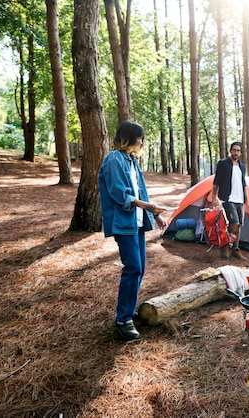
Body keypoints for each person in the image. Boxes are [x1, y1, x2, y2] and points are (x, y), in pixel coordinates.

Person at [98, 120, 167, 341]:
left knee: (140, 268)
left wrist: (155, 215)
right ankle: (122, 320)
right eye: (139, 137)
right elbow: (119, 194)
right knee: (133, 267)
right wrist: (146, 206)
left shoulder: (132, 161)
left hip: (137, 223)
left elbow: (142, 193)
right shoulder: (114, 160)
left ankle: (128, 312)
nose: (141, 142)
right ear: (128, 137)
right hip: (123, 223)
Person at [211, 141, 249, 261]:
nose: (236, 152)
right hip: (228, 198)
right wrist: (214, 197)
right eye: (234, 150)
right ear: (230, 151)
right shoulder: (223, 164)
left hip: (239, 199)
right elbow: (216, 181)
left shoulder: (242, 167)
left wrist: (247, 200)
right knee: (233, 223)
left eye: (238, 151)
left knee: (238, 225)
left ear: (240, 153)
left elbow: (244, 184)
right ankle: (224, 247)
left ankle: (235, 250)